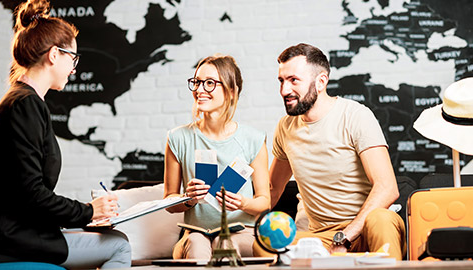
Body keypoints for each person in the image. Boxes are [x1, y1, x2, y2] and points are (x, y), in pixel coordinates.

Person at [0, 0, 131, 268]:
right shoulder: (26, 104)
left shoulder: (22, 101)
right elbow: (31, 193)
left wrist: (88, 216)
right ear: (54, 55)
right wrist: (89, 211)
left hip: (17, 232)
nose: (75, 67)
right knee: (120, 246)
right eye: (73, 57)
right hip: (13, 238)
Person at [269, 43, 406, 260]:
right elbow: (272, 190)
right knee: (263, 244)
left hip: (364, 228)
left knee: (381, 219)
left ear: (321, 81)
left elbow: (388, 188)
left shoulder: (356, 116)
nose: (284, 90)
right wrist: (230, 211)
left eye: (294, 80)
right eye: (281, 81)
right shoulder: (285, 127)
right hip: (320, 235)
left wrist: (344, 238)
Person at [164, 54, 270, 259]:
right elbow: (169, 200)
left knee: (226, 244)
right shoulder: (177, 138)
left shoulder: (253, 139)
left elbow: (264, 201)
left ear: (231, 91)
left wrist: (241, 203)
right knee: (196, 246)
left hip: (241, 232)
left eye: (209, 83)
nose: (199, 90)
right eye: (196, 82)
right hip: (195, 233)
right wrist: (188, 199)